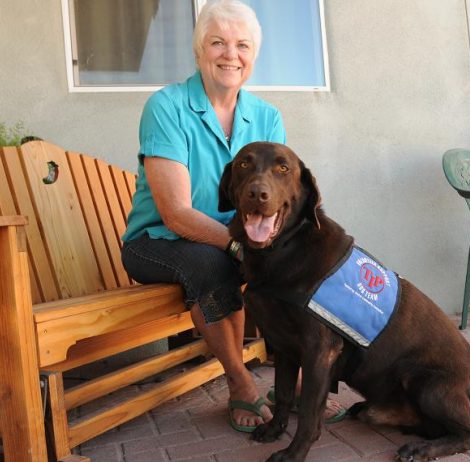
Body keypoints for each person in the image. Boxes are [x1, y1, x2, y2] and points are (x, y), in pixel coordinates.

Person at [121, 0, 344, 432]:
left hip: (230, 239)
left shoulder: (264, 116)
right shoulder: (167, 107)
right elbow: (176, 213)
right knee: (216, 262)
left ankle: (294, 384)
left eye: (242, 45)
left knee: (295, 261)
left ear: (253, 57)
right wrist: (241, 246)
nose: (230, 54)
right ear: (199, 50)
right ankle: (240, 381)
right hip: (157, 243)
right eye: (217, 42)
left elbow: (280, 195)